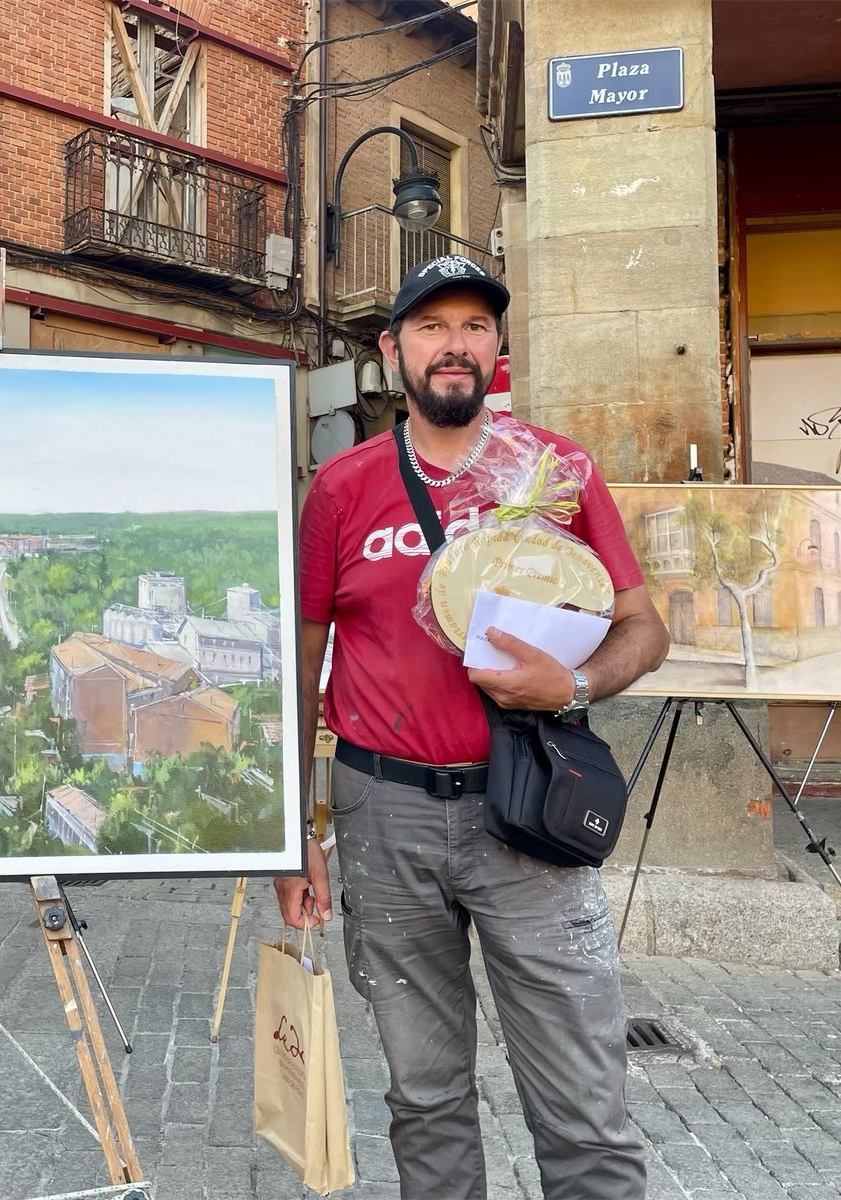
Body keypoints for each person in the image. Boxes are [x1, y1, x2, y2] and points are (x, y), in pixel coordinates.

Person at [277, 255, 670, 1200]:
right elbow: (298, 666)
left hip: (529, 811)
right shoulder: (342, 486)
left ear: (498, 348)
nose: (454, 345)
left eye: (474, 327)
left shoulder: (558, 471)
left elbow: (647, 628)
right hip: (385, 816)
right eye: (431, 327)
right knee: (424, 1096)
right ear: (391, 351)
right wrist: (295, 835)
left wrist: (571, 684)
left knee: (586, 1103)